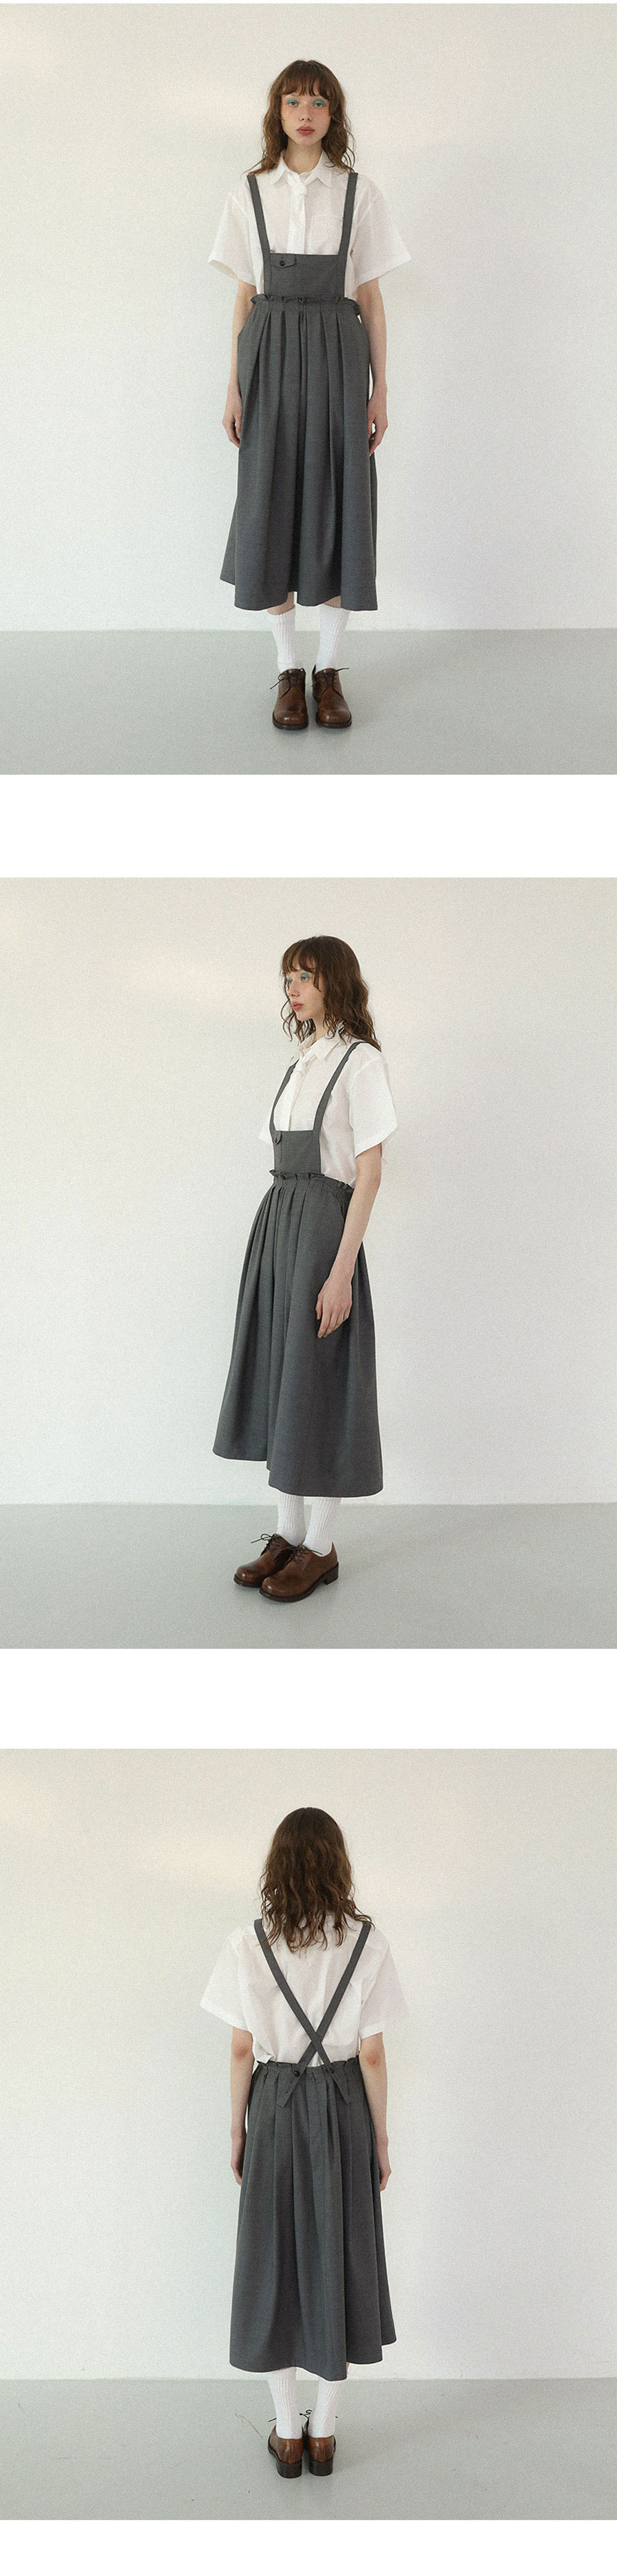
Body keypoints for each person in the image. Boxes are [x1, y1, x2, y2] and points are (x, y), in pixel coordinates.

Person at [201, 1805, 407, 2479]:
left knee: (275, 2259)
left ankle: (286, 2432)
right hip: (343, 2105)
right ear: (338, 1864)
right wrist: (380, 2138)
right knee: (341, 2257)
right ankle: (324, 2432)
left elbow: (241, 2048)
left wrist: (237, 2129)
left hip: (275, 2105)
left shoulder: (248, 1943)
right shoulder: (367, 1942)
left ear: (278, 1865)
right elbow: (371, 2053)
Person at [209, 58, 410, 731]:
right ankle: (287, 667)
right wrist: (234, 386)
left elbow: (371, 298)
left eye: (319, 103)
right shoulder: (249, 192)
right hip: (268, 355)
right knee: (269, 498)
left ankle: (329, 670)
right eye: (294, 100)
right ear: (278, 111)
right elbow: (243, 297)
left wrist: (381, 390)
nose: (306, 113)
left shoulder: (360, 193)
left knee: (340, 500)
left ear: (333, 115)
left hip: (338, 356)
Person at [213, 935, 397, 1601]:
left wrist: (341, 1272)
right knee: (281, 1374)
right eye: (288, 977)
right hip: (278, 1225)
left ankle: (320, 1546)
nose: (293, 988)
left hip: (323, 1232)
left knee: (317, 1378)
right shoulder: (300, 1063)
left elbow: (369, 1173)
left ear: (334, 981)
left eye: (306, 976)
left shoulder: (360, 1062)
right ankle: (287, 1534)